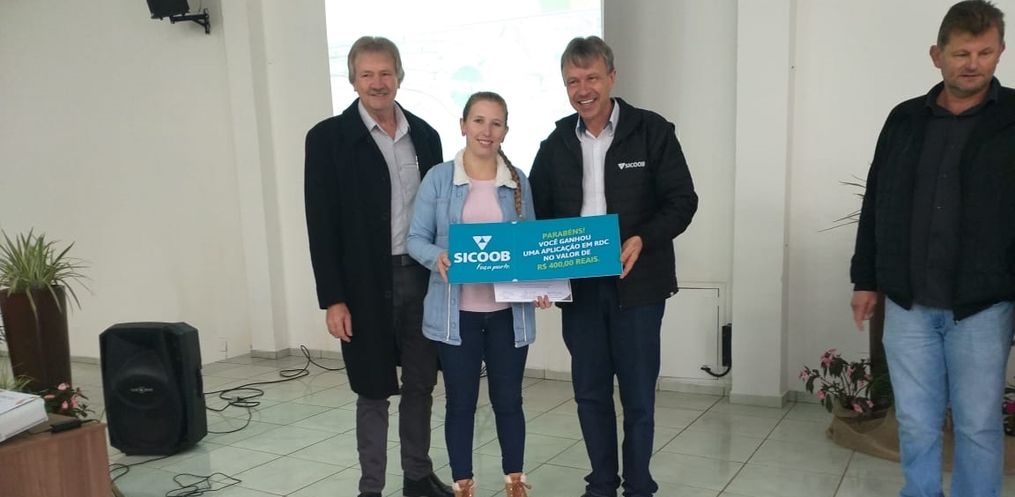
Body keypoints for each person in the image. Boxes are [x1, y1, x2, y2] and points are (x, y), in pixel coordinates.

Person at [850, 2, 1015, 496]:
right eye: (961, 53)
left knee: (977, 425)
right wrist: (865, 280)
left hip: (983, 305)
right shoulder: (904, 119)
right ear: (936, 55)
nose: (973, 64)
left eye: (985, 52)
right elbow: (876, 200)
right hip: (909, 304)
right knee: (916, 421)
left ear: (1000, 51)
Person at [528, 36, 698, 497]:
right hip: (580, 288)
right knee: (590, 393)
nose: (583, 90)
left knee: (638, 395)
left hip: (638, 286)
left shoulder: (652, 131)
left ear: (612, 77)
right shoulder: (555, 143)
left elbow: (682, 201)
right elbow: (536, 218)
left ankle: (639, 485)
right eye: (573, 81)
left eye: (592, 78)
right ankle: (601, 483)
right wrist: (538, 274)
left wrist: (644, 238)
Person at [304, 36, 452, 497]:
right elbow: (320, 224)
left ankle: (417, 477)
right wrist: (333, 299)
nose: (377, 83)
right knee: (372, 389)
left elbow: (440, 213)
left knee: (421, 383)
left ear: (399, 76)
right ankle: (371, 487)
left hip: (421, 279)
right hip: (364, 285)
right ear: (352, 80)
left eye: (385, 73)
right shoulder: (328, 139)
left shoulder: (426, 135)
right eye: (366, 74)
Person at [408, 91, 551, 497]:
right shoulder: (439, 179)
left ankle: (515, 482)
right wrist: (437, 257)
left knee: (509, 402)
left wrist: (541, 288)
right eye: (478, 121)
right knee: (460, 404)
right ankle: (463, 485)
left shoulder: (518, 180)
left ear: (505, 130)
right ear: (463, 126)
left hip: (508, 314)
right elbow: (415, 239)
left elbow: (531, 247)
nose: (487, 131)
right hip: (456, 317)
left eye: (496, 123)